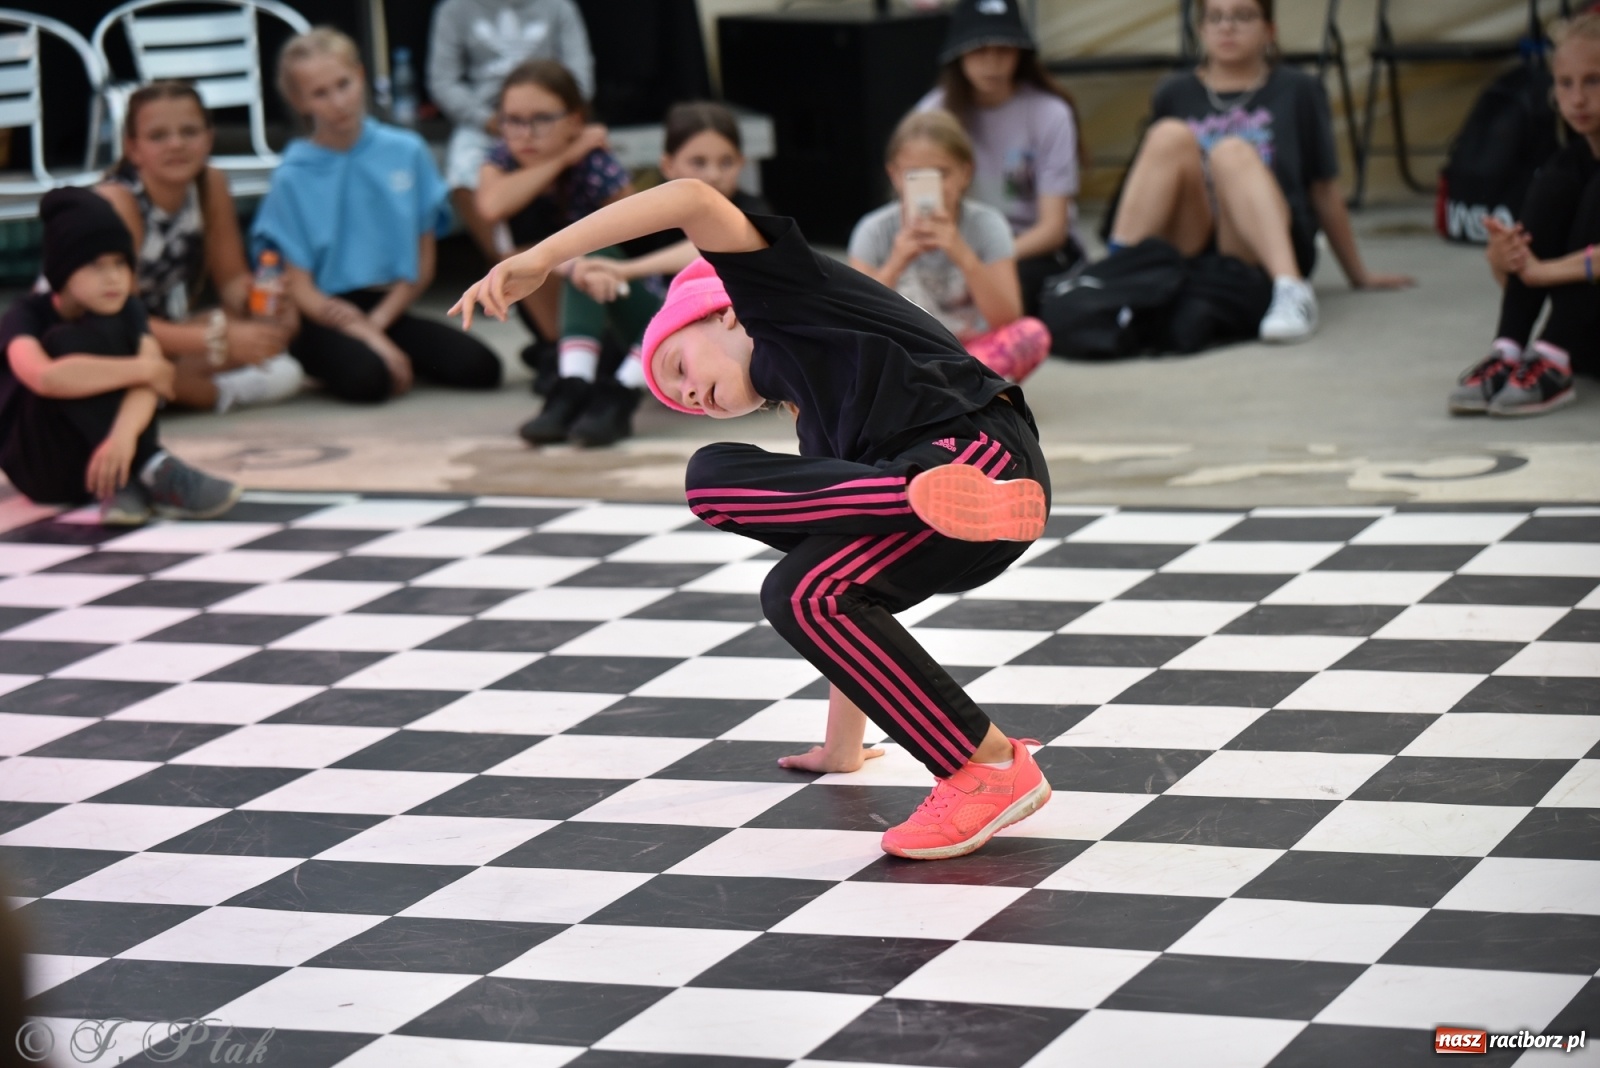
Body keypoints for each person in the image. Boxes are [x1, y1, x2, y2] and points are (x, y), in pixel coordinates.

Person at [453, 179, 1054, 861]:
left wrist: (541, 257)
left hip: (974, 453)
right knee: (787, 567)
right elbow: (847, 595)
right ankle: (912, 499)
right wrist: (843, 748)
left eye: (678, 364)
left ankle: (990, 768)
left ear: (724, 313)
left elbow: (690, 197)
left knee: (757, 522)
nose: (687, 392)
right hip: (947, 503)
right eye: (676, 397)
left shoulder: (776, 296)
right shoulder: (821, 433)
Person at [1107, 0, 1412, 343]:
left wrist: (1359, 274)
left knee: (1231, 152)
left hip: (1260, 241)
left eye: (1242, 16)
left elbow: (1324, 189)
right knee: (1167, 135)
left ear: (1270, 29)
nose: (1227, 27)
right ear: (1201, 29)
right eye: (1216, 17)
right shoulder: (1173, 92)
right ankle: (1112, 279)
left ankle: (1291, 290)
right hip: (1194, 235)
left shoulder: (1299, 89)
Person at [255, 27, 503, 403]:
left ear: (360, 75)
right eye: (320, 93)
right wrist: (368, 337)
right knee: (369, 380)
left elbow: (422, 266)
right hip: (327, 314)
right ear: (299, 101)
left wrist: (378, 326)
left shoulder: (406, 151)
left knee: (482, 368)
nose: (338, 101)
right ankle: (352, 358)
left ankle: (384, 355)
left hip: (390, 305)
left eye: (344, 84)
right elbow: (301, 288)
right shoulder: (292, 175)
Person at [0, 189, 241, 525]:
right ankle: (154, 467)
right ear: (62, 271)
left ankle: (127, 479)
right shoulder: (25, 314)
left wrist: (122, 439)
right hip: (40, 462)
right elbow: (45, 377)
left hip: (106, 457)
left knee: (110, 330)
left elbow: (154, 379)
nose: (113, 277)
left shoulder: (128, 309)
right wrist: (142, 368)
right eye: (96, 265)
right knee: (67, 341)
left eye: (120, 264)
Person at [555, 100, 774, 445]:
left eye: (726, 162)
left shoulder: (752, 211)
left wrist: (625, 270)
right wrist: (585, 268)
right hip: (650, 335)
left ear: (742, 165)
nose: (714, 174)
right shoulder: (654, 208)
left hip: (704, 346)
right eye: (698, 162)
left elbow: (708, 250)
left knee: (675, 318)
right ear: (668, 166)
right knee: (591, 260)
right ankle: (570, 386)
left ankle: (620, 395)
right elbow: (572, 250)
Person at [96, 81, 304, 415]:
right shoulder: (118, 201)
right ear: (132, 148)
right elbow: (118, 318)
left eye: (189, 131)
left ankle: (170, 390)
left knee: (279, 338)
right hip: (99, 337)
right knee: (137, 365)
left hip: (162, 332)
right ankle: (203, 392)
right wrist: (217, 338)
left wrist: (263, 301)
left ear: (209, 138)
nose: (176, 144)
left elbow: (232, 280)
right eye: (158, 136)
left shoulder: (211, 184)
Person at [475, 59, 644, 444]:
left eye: (541, 119)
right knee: (524, 228)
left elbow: (641, 233)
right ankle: (567, 365)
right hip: (555, 306)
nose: (525, 133)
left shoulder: (596, 163)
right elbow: (491, 206)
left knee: (596, 250)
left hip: (613, 298)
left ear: (574, 120)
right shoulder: (504, 159)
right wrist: (561, 158)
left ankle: (588, 381)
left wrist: (578, 263)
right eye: (512, 120)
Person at [1450, 11, 1600, 417]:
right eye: (1565, 83)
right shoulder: (1567, 165)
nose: (1578, 98)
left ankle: (1553, 351)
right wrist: (1505, 258)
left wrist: (1541, 272)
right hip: (1589, 338)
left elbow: (1553, 273)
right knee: (1555, 183)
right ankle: (1509, 347)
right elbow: (1537, 273)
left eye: (1594, 80)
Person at [849, 109, 1050, 383]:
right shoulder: (874, 230)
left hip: (969, 351)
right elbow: (855, 319)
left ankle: (940, 388)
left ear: (965, 173)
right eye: (914, 176)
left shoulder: (987, 225)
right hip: (905, 353)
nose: (933, 186)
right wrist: (896, 262)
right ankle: (954, 389)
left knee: (1031, 334)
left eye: (942, 173)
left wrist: (962, 253)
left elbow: (1007, 316)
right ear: (894, 175)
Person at [916, 0, 1083, 317]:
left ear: (1020, 54)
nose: (991, 63)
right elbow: (921, 208)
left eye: (1003, 49)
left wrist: (982, 261)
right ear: (959, 54)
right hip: (955, 242)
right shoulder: (934, 114)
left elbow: (1054, 228)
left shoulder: (1050, 113)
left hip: (1028, 247)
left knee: (1002, 296)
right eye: (979, 49)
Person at [428, 0, 592, 322]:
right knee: (464, 173)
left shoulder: (560, 7)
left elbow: (581, 77)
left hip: (550, 113)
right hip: (488, 120)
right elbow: (443, 82)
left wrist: (550, 125)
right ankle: (505, 278)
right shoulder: (454, 9)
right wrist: (495, 121)